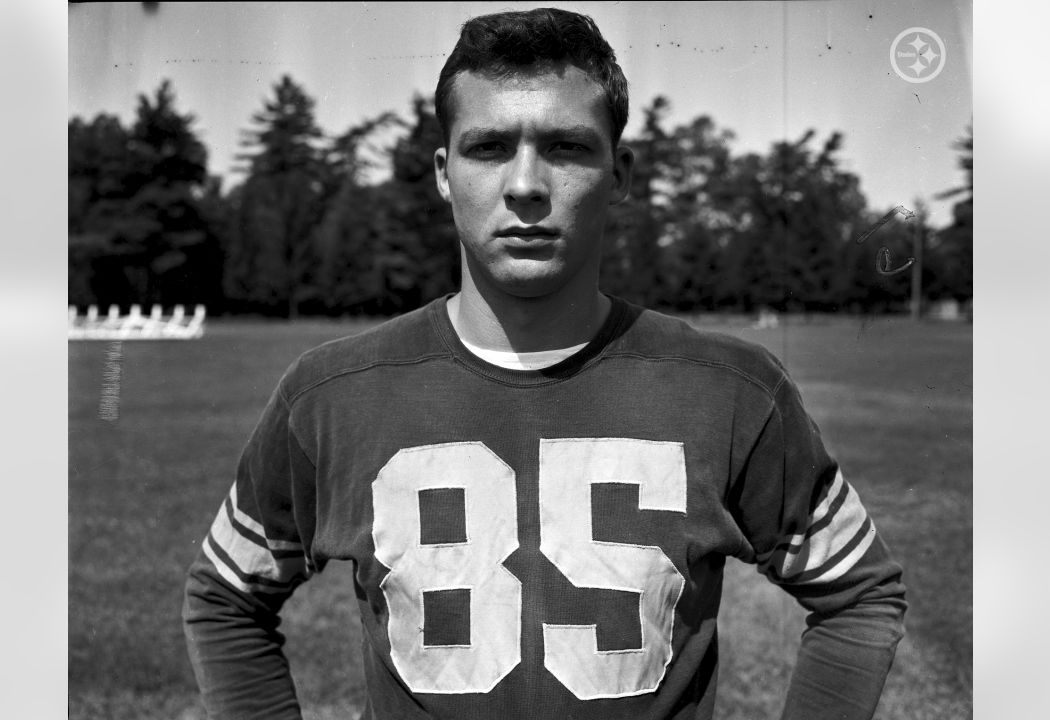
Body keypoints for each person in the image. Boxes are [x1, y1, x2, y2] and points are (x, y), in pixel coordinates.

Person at [183, 8, 906, 719]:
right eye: (489, 147)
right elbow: (225, 595)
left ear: (620, 173)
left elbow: (858, 593)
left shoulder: (733, 392)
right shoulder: (331, 395)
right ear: (444, 172)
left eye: (564, 147)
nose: (526, 184)